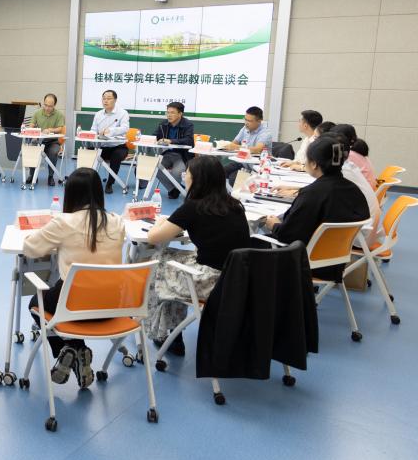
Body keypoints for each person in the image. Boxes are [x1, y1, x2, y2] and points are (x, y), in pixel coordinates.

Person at [22, 168, 124, 387]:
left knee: (35, 303)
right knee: (64, 296)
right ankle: (77, 350)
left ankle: (69, 348)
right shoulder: (117, 222)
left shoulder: (64, 222)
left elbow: (30, 248)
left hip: (73, 305)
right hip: (112, 306)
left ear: (70, 194)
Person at [144, 155, 253, 352]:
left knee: (156, 262)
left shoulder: (193, 207)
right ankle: (173, 333)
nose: (184, 177)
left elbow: (153, 238)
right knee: (171, 260)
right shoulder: (234, 205)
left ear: (196, 179)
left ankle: (162, 330)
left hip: (210, 282)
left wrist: (160, 222)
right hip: (238, 279)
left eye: (187, 174)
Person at [264, 134, 369, 281]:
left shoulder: (312, 194)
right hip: (337, 262)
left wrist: (274, 225)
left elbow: (288, 235)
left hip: (306, 263)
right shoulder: (353, 190)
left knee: (253, 243)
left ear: (314, 164)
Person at [90, 89, 131, 194]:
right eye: (104, 98)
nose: (105, 101)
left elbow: (125, 128)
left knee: (116, 156)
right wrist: (92, 134)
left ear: (115, 100)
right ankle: (88, 180)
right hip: (102, 146)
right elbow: (93, 129)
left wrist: (111, 131)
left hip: (118, 146)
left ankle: (110, 183)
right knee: (88, 151)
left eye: (109, 98)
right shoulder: (98, 114)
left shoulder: (123, 113)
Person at [154, 101, 194, 199]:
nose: (169, 115)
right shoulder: (163, 124)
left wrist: (171, 141)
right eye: (168, 112)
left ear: (180, 114)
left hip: (182, 155)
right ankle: (174, 189)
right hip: (168, 154)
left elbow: (188, 140)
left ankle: (175, 189)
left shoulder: (188, 124)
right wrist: (154, 139)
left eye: (172, 112)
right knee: (155, 168)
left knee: (177, 172)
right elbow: (154, 136)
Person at [222, 106, 273, 183]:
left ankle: (238, 191)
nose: (246, 123)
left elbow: (257, 149)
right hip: (243, 163)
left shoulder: (265, 133)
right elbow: (234, 143)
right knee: (220, 171)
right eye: (245, 119)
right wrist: (225, 145)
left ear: (259, 121)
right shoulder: (245, 129)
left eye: (250, 121)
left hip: (257, 168)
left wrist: (236, 147)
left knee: (234, 178)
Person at [28, 93, 65, 186]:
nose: (47, 108)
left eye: (50, 106)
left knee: (53, 152)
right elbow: (31, 125)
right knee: (32, 148)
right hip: (39, 140)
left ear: (54, 105)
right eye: (46, 105)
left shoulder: (59, 114)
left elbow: (60, 128)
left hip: (53, 141)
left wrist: (50, 130)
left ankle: (50, 176)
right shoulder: (37, 113)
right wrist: (33, 132)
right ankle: (32, 175)